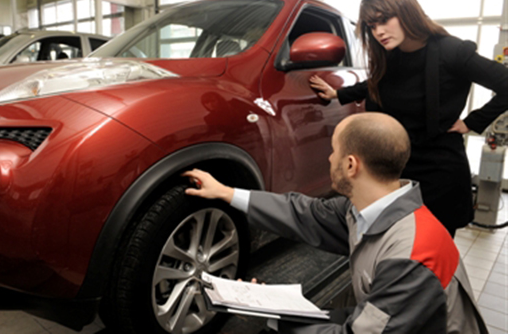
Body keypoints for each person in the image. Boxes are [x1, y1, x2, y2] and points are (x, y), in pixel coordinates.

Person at [183, 112, 487, 333]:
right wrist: (226, 193)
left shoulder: (412, 255)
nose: (329, 159)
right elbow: (302, 213)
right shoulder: (370, 208)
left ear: (351, 165)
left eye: (334, 151)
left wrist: (270, 314)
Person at [309, 0, 508, 237]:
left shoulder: (452, 51)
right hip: (396, 171)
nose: (379, 31)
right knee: (395, 247)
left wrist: (472, 122)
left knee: (431, 257)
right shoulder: (391, 56)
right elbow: (375, 85)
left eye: (384, 20)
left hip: (438, 173)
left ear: (406, 11)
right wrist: (338, 93)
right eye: (372, 25)